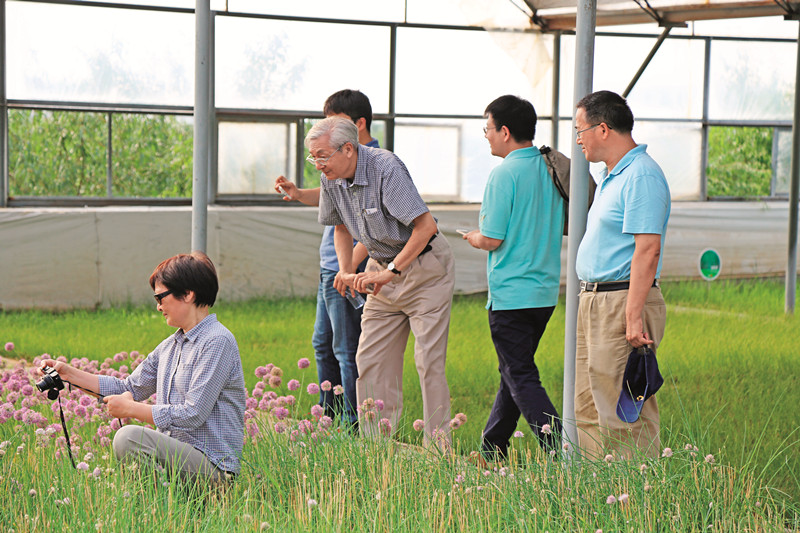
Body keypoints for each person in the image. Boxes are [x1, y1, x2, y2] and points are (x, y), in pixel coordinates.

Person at [308, 116, 455, 448]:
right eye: (313, 157)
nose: (318, 164)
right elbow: (341, 228)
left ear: (348, 148)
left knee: (428, 361)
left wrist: (392, 272)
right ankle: (380, 449)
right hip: (381, 268)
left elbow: (425, 226)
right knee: (369, 359)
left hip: (424, 270)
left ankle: (439, 449)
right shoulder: (331, 179)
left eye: (322, 156)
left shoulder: (385, 168)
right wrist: (346, 270)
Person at [41, 251, 246, 482]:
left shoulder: (217, 340)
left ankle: (166, 508)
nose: (158, 307)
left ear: (188, 294)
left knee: (128, 438)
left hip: (214, 469)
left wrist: (130, 410)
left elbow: (193, 414)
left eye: (161, 298)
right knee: (129, 438)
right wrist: (69, 374)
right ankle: (166, 507)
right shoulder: (170, 346)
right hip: (180, 460)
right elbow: (128, 387)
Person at [463, 95, 564, 461]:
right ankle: (492, 450)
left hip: (511, 296)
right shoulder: (549, 168)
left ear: (505, 131)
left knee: (520, 374)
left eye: (487, 129)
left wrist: (474, 237)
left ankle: (560, 450)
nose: (486, 137)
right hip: (544, 293)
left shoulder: (503, 174)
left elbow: (492, 238)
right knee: (513, 371)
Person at [573, 90, 670, 459]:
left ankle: (634, 506)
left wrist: (633, 316)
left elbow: (647, 249)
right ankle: (600, 498)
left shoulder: (641, 176)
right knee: (588, 406)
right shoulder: (612, 175)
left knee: (623, 413)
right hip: (596, 299)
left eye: (580, 130)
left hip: (622, 301)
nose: (578, 139)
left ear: (602, 129)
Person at [274, 89, 379, 427]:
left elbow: (372, 230)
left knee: (346, 348)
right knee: (323, 343)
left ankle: (352, 422)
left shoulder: (374, 162)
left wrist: (348, 270)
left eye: (337, 122)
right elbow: (333, 203)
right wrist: (298, 193)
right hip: (332, 266)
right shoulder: (337, 164)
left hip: (347, 270)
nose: (329, 129)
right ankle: (328, 414)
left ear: (359, 125)